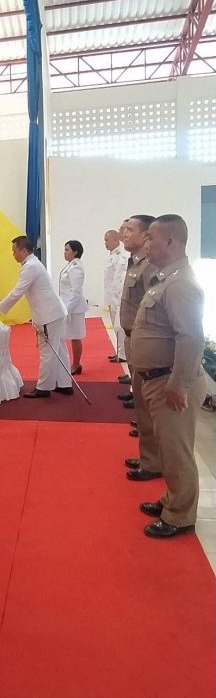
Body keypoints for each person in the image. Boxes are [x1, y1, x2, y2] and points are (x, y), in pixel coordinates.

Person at [132, 215, 206, 538]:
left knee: (177, 452)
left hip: (170, 382)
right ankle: (171, 499)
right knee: (166, 447)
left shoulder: (179, 284)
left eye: (152, 238)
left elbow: (190, 337)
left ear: (171, 242)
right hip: (158, 379)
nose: (147, 244)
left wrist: (178, 384)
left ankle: (180, 515)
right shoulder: (166, 278)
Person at [0, 236, 72, 398]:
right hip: (54, 312)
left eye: (14, 251)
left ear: (24, 251)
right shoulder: (33, 264)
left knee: (48, 351)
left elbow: (17, 292)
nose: (13, 255)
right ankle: (64, 384)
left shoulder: (30, 267)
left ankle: (44, 388)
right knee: (58, 349)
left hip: (49, 315)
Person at [119, 215, 161, 481]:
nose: (124, 233)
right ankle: (149, 456)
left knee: (147, 404)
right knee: (141, 404)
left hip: (142, 340)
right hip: (131, 338)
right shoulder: (133, 262)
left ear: (146, 235)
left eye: (129, 229)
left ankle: (154, 461)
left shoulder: (149, 266)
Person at [58, 240, 86, 375]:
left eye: (67, 250)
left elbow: (76, 292)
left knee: (75, 337)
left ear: (75, 252)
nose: (64, 252)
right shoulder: (70, 265)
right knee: (66, 335)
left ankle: (76, 364)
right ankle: (71, 363)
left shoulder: (76, 267)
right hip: (67, 306)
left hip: (74, 308)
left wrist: (66, 309)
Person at [103, 229, 128, 363]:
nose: (105, 243)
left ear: (115, 240)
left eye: (107, 240)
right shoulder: (112, 256)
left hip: (117, 297)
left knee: (119, 327)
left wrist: (117, 298)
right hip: (111, 297)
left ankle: (123, 353)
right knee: (114, 325)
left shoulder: (121, 257)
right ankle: (119, 350)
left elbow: (118, 280)